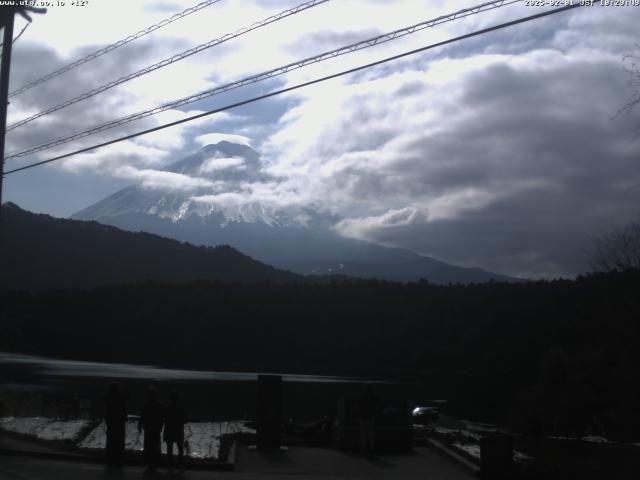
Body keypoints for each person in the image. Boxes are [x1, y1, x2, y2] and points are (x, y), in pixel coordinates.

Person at [138, 387, 164, 469]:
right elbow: (161, 417)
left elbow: (142, 416)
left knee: (149, 444)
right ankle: (155, 461)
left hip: (149, 428)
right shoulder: (158, 405)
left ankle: (149, 461)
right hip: (155, 428)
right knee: (155, 444)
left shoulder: (146, 405)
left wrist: (140, 425)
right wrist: (160, 426)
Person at [104, 382, 127, 467]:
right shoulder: (120, 398)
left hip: (112, 423)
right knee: (118, 442)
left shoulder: (109, 398)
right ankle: (118, 458)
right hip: (119, 424)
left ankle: (111, 458)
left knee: (111, 441)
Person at [163, 391, 187, 466]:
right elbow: (185, 420)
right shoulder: (181, 408)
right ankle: (181, 462)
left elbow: (163, 418)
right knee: (180, 447)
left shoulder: (166, 408)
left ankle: (170, 463)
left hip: (169, 430)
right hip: (178, 431)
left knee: (169, 448)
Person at [359, 384, 377, 453]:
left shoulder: (362, 397)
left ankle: (363, 449)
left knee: (363, 435)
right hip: (370, 418)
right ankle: (371, 449)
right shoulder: (372, 398)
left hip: (363, 417)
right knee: (370, 435)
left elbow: (360, 406)